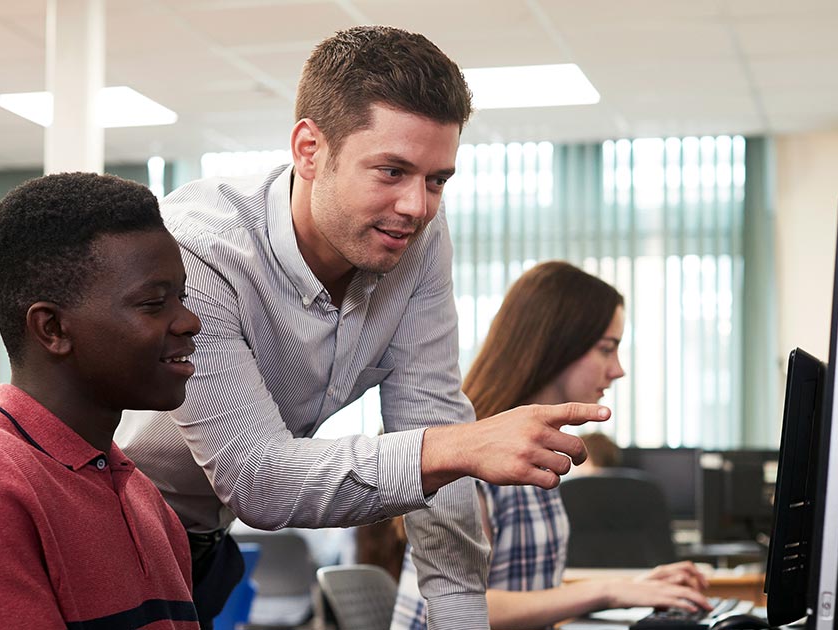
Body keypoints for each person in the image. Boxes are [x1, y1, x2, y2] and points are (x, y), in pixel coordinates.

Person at [117, 25, 610, 628]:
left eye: (437, 179)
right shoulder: (201, 248)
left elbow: (432, 415)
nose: (418, 206)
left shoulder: (415, 233)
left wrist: (460, 619)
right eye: (392, 171)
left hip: (205, 546)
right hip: (109, 535)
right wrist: (457, 447)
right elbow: (259, 478)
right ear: (308, 149)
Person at [0, 173, 201, 629]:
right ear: (52, 329)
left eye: (183, 296)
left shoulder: (141, 494)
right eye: (155, 303)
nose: (189, 322)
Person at [391, 261, 711, 630]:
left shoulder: (539, 454)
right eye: (607, 348)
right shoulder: (471, 450)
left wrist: (634, 588)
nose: (618, 369)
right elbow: (458, 609)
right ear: (558, 346)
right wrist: (608, 590)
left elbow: (531, 594)